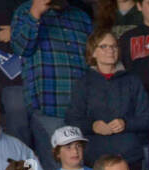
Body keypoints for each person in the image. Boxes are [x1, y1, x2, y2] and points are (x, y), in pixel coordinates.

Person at [9, 0, 93, 149]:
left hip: (82, 107)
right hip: (49, 106)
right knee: (54, 165)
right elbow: (21, 48)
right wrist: (35, 14)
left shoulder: (81, 16)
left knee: (81, 165)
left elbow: (93, 58)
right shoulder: (26, 11)